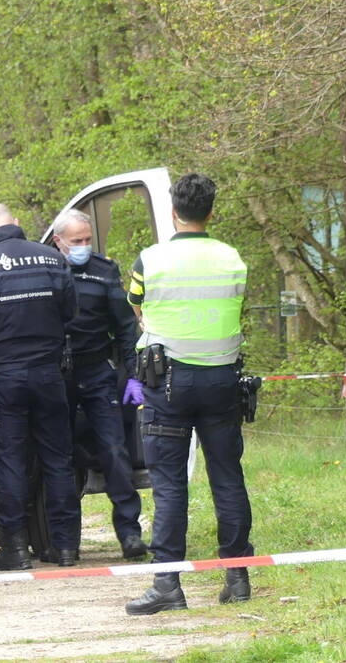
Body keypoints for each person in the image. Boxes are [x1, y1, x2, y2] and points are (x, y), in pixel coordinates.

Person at [123, 173, 254, 615]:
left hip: (168, 384)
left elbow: (136, 306)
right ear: (211, 212)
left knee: (169, 484)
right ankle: (237, 577)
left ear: (173, 212)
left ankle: (167, 584)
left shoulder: (151, 259)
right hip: (222, 382)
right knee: (227, 477)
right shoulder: (232, 258)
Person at [0, 202, 83, 570]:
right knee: (58, 460)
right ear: (16, 224)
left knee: (10, 460)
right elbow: (69, 312)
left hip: (4, 378)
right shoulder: (52, 259)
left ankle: (16, 548)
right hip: (48, 374)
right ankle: (65, 548)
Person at [50, 209, 147, 560]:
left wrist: (134, 374)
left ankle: (129, 533)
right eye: (77, 242)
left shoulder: (104, 271)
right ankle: (63, 542)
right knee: (59, 456)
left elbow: (124, 327)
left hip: (96, 371)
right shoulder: (47, 269)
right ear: (58, 242)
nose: (84, 247)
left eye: (88, 240)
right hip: (57, 374)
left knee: (114, 451)